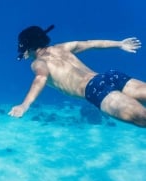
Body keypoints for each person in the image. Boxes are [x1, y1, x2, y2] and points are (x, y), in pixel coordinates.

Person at [8, 25, 146, 127]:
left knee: (142, 118)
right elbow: (91, 44)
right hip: (110, 77)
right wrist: (120, 44)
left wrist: (24, 105)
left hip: (95, 90)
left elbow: (40, 79)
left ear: (29, 47)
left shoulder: (38, 62)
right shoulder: (62, 47)